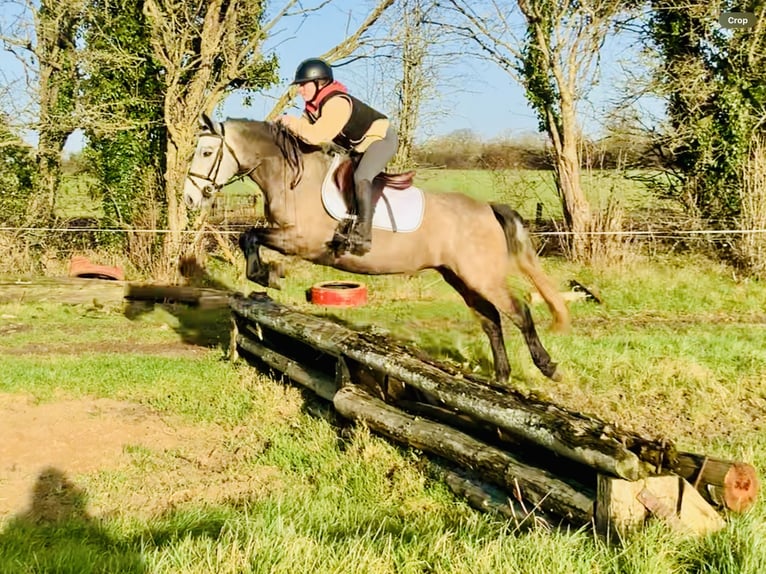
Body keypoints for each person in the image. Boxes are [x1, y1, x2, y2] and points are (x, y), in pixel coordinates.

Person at [277, 57, 398, 256]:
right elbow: (302, 136)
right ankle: (344, 228)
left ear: (320, 83)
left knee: (361, 177)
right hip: (358, 147)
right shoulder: (312, 109)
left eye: (303, 85)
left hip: (382, 139)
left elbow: (316, 136)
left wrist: (289, 121)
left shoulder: (337, 103)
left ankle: (364, 236)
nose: (299, 90)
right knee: (340, 178)